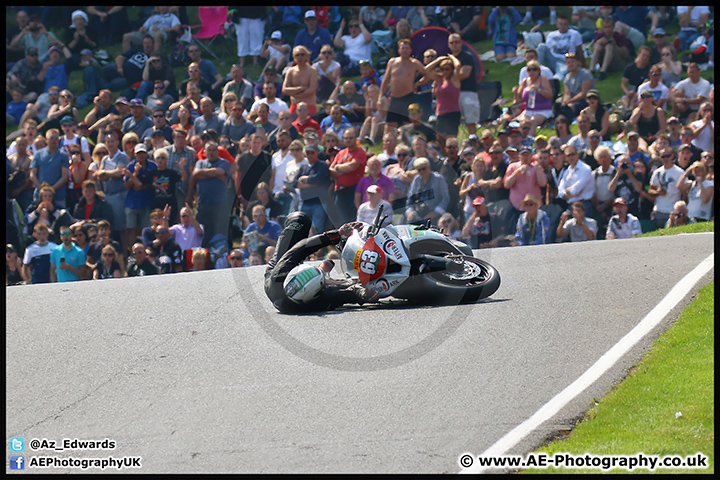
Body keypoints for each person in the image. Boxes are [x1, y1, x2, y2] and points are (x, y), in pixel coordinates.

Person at [264, 212, 374, 313]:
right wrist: (362, 293)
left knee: (301, 219)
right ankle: (324, 274)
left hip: (275, 271)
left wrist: (338, 234)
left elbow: (302, 247)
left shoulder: (279, 274)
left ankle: (289, 219)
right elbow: (342, 296)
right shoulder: (316, 303)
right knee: (359, 285)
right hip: (302, 297)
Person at [186, 141, 231, 249]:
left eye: (214, 150)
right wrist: (214, 174)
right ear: (205, 152)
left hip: (220, 204)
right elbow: (195, 174)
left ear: (218, 151)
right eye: (209, 150)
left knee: (221, 232)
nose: (211, 152)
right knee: (203, 232)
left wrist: (202, 174)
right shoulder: (200, 163)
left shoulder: (224, 162)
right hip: (203, 204)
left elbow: (220, 172)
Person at [379, 39, 428, 134]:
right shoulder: (392, 62)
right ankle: (387, 143)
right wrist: (380, 96)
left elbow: (427, 74)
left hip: (408, 96)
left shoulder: (414, 63)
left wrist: (418, 83)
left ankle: (406, 142)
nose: (405, 50)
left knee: (407, 123)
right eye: (403, 48)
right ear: (399, 50)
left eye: (407, 48)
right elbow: (386, 79)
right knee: (389, 124)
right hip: (394, 97)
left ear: (410, 50)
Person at [420, 54, 462, 154]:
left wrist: (451, 58)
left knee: (450, 140)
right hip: (440, 113)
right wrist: (438, 60)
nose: (445, 72)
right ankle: (446, 159)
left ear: (451, 69)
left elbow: (458, 65)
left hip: (452, 112)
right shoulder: (439, 80)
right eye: (442, 69)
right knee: (440, 140)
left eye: (447, 69)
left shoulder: (455, 79)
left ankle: (454, 158)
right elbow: (425, 70)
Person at [329, 127, 367, 226]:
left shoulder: (360, 152)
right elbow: (331, 170)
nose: (348, 140)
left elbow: (352, 167)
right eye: (346, 138)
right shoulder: (340, 153)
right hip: (340, 191)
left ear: (355, 138)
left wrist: (338, 168)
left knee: (352, 219)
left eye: (351, 138)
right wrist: (343, 169)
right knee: (340, 219)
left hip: (354, 190)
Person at [504, 146, 548, 231]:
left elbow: (543, 183)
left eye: (527, 155)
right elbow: (507, 184)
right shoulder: (513, 167)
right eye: (523, 155)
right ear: (519, 156)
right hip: (517, 207)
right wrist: (517, 172)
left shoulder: (536, 167)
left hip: (534, 206)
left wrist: (538, 168)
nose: (525, 158)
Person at [293, 143, 332, 234]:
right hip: (305, 203)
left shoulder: (322, 166)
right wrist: (311, 184)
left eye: (312, 153)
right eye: (308, 153)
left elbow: (318, 179)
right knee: (303, 229)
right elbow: (294, 183)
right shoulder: (303, 167)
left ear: (317, 153)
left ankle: (319, 248)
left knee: (317, 229)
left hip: (319, 203)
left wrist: (304, 179)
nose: (310, 155)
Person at [448, 33, 480, 137]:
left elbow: (464, 74)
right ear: (448, 45)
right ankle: (454, 145)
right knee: (452, 122)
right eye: (452, 42)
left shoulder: (467, 57)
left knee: (470, 121)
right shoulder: (447, 60)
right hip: (452, 94)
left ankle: (473, 141)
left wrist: (449, 77)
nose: (454, 44)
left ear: (461, 43)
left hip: (467, 92)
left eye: (457, 42)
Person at [29, 128, 70, 207]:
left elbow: (65, 176)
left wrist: (51, 190)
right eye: (51, 138)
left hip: (58, 195)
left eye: (56, 138)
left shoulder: (63, 155)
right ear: (46, 140)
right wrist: (43, 191)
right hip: (39, 196)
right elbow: (32, 175)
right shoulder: (38, 154)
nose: (54, 140)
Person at [648, 145, 685, 229]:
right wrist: (658, 192)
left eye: (667, 156)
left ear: (672, 156)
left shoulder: (679, 172)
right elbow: (650, 190)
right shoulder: (657, 172)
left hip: (673, 211)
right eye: (663, 156)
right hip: (658, 210)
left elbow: (684, 192)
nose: (665, 158)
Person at [405, 157, 450, 226]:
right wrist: (410, 211)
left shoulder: (439, 179)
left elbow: (445, 198)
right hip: (418, 212)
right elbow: (410, 198)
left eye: (424, 169)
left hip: (434, 212)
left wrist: (436, 212)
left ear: (429, 167)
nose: (422, 172)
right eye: (419, 170)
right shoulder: (416, 179)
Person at [515, 60, 554, 137]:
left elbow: (550, 95)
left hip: (543, 110)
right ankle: (520, 141)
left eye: (534, 69)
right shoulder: (525, 81)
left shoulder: (543, 79)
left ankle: (529, 140)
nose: (532, 72)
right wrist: (515, 93)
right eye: (529, 69)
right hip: (529, 110)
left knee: (533, 121)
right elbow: (519, 99)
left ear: (539, 71)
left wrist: (538, 90)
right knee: (523, 122)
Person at [557, 144, 595, 217]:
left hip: (584, 205)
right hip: (571, 205)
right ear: (565, 158)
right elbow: (560, 191)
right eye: (568, 155)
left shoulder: (585, 169)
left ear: (578, 155)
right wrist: (569, 192)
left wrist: (569, 191)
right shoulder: (567, 171)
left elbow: (575, 190)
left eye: (573, 154)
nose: (571, 157)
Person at [282, 46, 319, 116]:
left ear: (307, 56)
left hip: (309, 107)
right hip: (294, 107)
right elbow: (284, 90)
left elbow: (312, 90)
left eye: (302, 54)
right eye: (297, 55)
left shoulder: (312, 71)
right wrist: (299, 89)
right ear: (294, 57)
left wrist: (295, 94)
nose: (300, 57)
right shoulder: (290, 71)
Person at [558, 52, 594, 122]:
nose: (570, 64)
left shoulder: (585, 74)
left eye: (572, 62)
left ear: (577, 62)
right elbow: (567, 93)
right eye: (568, 63)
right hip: (573, 101)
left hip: (586, 100)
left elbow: (584, 93)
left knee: (570, 107)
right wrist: (565, 101)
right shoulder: (567, 77)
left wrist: (570, 101)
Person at [619, 46, 653, 111]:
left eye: (647, 56)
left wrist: (635, 97)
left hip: (641, 94)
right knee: (625, 100)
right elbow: (623, 84)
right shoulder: (630, 68)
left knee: (635, 104)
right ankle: (625, 110)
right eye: (643, 55)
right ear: (638, 54)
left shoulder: (649, 70)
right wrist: (627, 93)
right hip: (631, 91)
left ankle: (629, 111)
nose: (645, 58)